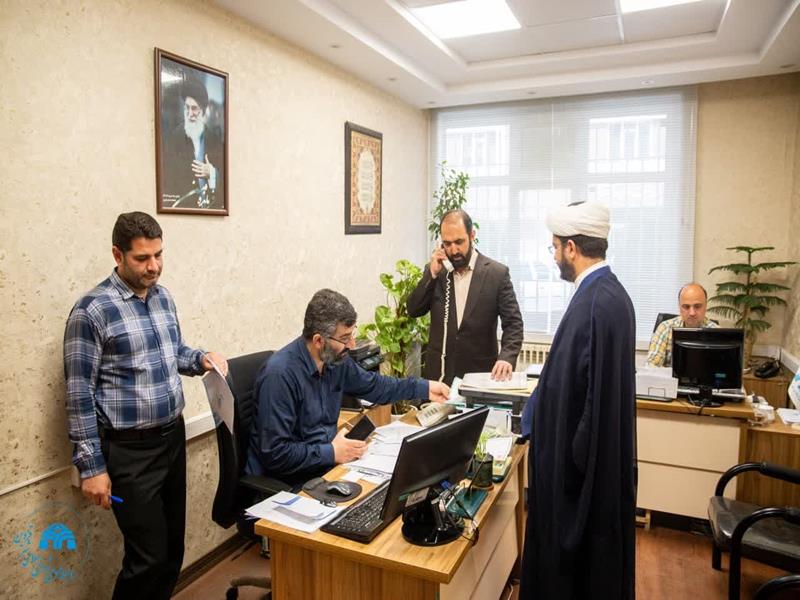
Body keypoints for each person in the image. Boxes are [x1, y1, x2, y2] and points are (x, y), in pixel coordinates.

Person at [63, 211, 227, 600]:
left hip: (172, 440)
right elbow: (78, 395)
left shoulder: (163, 298)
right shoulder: (91, 311)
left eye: (158, 255)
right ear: (117, 255)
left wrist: (200, 358)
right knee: (147, 559)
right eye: (142, 258)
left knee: (171, 552)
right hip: (129, 453)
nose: (153, 266)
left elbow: (173, 352)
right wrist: (92, 468)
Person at [519, 201, 636, 600]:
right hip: (598, 470)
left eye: (554, 247)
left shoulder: (593, 304)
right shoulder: (611, 294)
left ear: (572, 247)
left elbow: (582, 400)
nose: (553, 256)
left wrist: (564, 465)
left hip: (577, 480)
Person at [245, 289, 450, 487]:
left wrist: (424, 387)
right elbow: (276, 453)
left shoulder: (334, 361)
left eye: (352, 334)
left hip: (326, 469)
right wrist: (332, 452)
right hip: (290, 483)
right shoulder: (279, 376)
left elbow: (376, 386)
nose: (352, 345)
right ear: (319, 340)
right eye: (344, 338)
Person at [407, 209, 523, 385]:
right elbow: (414, 310)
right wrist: (432, 274)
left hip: (479, 375)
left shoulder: (497, 274)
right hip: (439, 376)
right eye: (447, 243)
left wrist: (506, 358)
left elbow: (513, 324)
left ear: (472, 235)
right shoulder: (437, 271)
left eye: (459, 242)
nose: (453, 250)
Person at [161, 78, 224, 210]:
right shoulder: (172, 139)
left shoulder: (215, 140)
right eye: (187, 107)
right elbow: (168, 184)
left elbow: (226, 182)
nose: (190, 114)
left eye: (194, 108)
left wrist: (212, 173)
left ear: (203, 110)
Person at [646, 282, 718, 367]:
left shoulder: (717, 332)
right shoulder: (665, 328)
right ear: (679, 308)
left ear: (705, 306)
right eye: (686, 307)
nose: (692, 313)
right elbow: (651, 366)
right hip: (670, 376)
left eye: (697, 306)